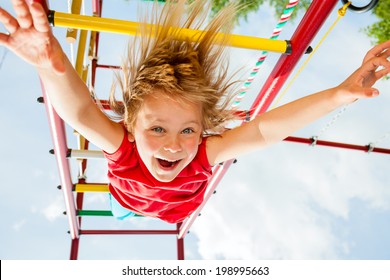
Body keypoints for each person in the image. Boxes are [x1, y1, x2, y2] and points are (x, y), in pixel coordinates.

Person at [0, 0, 389, 224]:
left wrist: (340, 94)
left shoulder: (203, 151)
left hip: (173, 211)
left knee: (135, 214)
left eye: (189, 130)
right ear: (131, 128)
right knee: (124, 213)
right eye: (157, 130)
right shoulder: (125, 147)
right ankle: (129, 214)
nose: (174, 145)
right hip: (128, 201)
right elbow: (81, 111)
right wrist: (50, 66)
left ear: (203, 130)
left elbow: (264, 130)